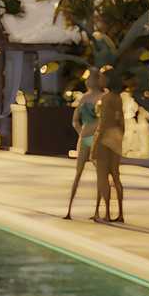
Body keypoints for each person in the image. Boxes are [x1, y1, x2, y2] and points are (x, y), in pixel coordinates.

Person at [63, 68, 103, 220]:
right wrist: (82, 133)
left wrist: (82, 132)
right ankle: (71, 209)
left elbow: (75, 121)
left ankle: (94, 211)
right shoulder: (88, 97)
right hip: (89, 137)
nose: (88, 81)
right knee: (83, 174)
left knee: (96, 175)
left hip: (90, 137)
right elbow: (75, 121)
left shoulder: (95, 97)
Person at [91, 66, 125, 224]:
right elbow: (121, 121)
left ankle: (106, 213)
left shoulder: (106, 98)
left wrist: (95, 145)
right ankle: (120, 213)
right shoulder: (118, 98)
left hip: (104, 138)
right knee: (116, 176)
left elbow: (103, 123)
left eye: (101, 77)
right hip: (116, 137)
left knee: (102, 176)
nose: (99, 80)